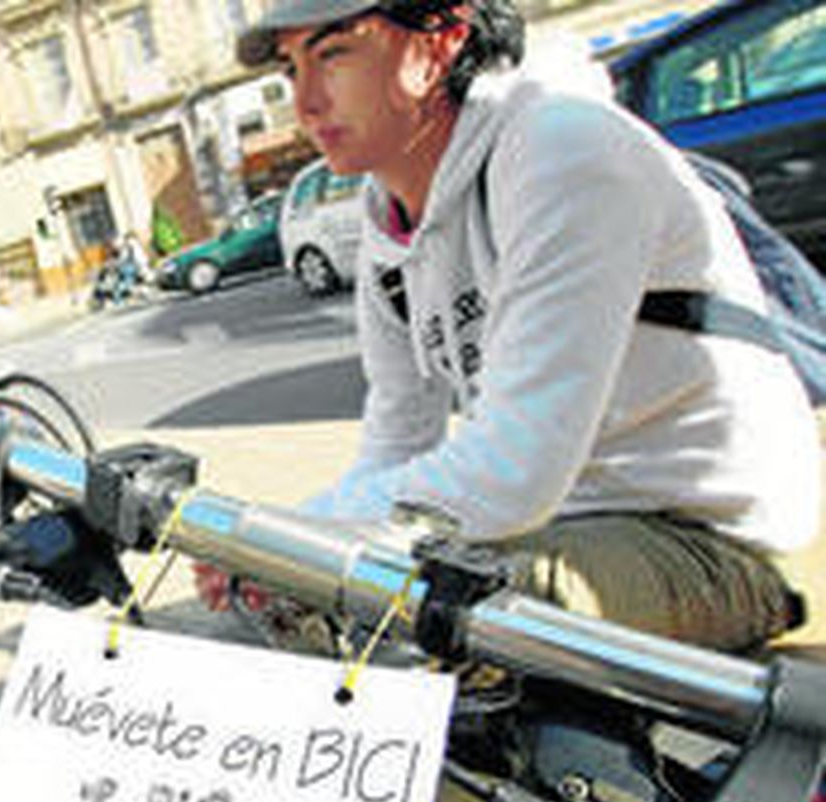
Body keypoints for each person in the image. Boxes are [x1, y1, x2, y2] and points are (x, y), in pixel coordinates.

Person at [209, 0, 819, 654]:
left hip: (705, 540)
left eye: (333, 55)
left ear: (441, 39)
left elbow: (514, 470)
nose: (303, 102)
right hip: (541, 525)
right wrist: (280, 552)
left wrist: (285, 536)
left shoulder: (564, 149)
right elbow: (396, 449)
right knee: (307, 597)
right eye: (289, 67)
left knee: (469, 613)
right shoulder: (388, 226)